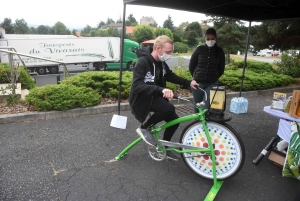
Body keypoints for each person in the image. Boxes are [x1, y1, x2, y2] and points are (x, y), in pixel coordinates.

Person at [129, 35, 198, 160]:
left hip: (154, 96)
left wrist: (189, 82)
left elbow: (171, 76)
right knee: (168, 109)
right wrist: (161, 90)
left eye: (171, 51)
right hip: (142, 99)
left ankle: (165, 148)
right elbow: (136, 86)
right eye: (168, 52)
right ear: (158, 48)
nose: (170, 54)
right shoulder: (143, 62)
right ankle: (144, 128)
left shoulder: (161, 63)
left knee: (174, 121)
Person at [189, 28, 225, 113]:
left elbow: (221, 69)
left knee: (206, 107)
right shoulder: (199, 49)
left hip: (212, 84)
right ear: (205, 38)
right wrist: (195, 77)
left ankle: (204, 124)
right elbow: (191, 65)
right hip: (198, 83)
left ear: (216, 38)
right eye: (208, 39)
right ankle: (197, 124)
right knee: (197, 105)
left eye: (212, 39)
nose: (210, 41)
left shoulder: (219, 51)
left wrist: (214, 76)